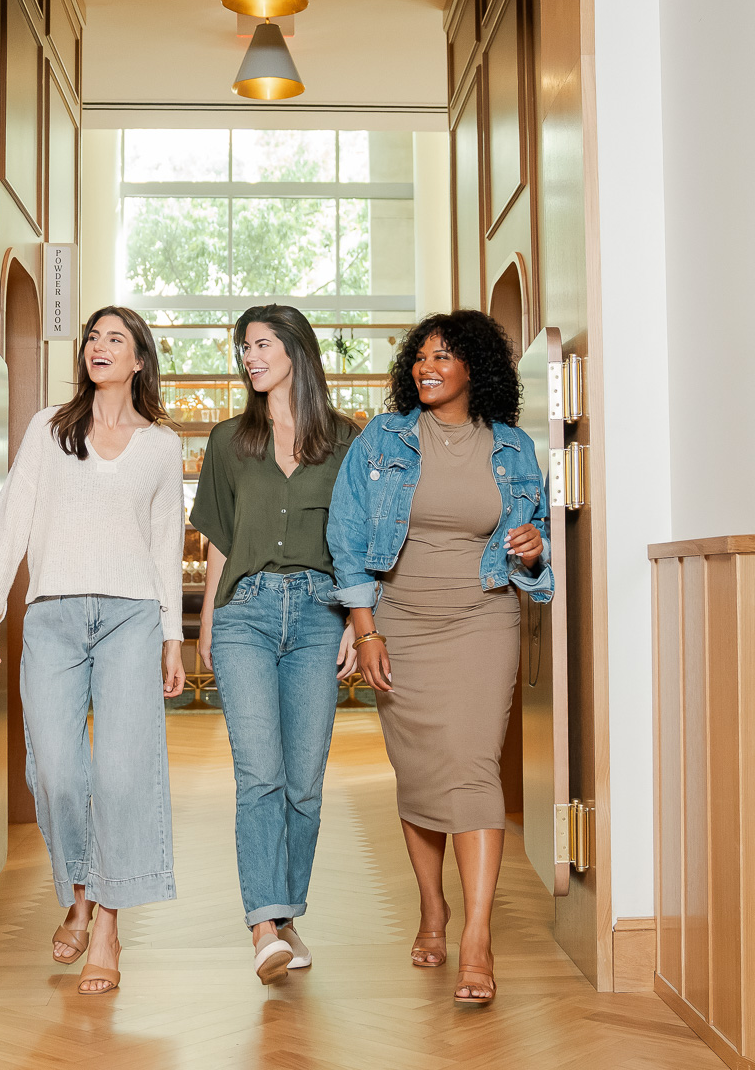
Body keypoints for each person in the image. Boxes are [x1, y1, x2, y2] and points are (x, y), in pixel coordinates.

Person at [326, 310, 552, 1006]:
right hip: (399, 621)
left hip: (483, 616)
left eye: (444, 356)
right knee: (422, 770)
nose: (428, 366)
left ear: (473, 370)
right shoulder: (383, 438)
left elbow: (536, 527)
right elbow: (347, 533)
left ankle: (477, 940)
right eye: (420, 356)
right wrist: (365, 631)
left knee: (475, 767)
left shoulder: (512, 447)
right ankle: (433, 909)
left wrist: (534, 549)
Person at [0, 305, 186, 996]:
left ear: (139, 361)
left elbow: (165, 546)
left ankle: (106, 925)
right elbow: (12, 515)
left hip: (130, 617)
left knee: (123, 774)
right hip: (54, 616)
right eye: (93, 337)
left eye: (115, 339)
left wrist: (171, 636)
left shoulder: (160, 445)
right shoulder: (50, 430)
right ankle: (81, 889)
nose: (99, 346)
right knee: (58, 771)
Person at [190, 304, 360, 984]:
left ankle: (286, 914)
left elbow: (356, 543)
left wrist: (357, 620)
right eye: (245, 347)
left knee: (305, 785)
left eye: (262, 344)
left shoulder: (346, 439)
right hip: (247, 617)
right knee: (259, 775)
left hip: (321, 616)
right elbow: (218, 540)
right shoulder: (230, 438)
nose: (250, 356)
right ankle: (263, 923)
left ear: (296, 349)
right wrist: (206, 622)